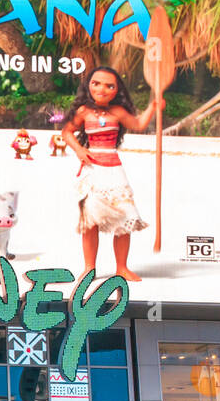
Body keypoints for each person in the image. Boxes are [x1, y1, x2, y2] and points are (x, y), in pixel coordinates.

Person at [60, 64, 164, 282]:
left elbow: (138, 124)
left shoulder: (118, 112)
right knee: (90, 221)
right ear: (88, 85)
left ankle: (122, 267)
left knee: (124, 218)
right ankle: (89, 267)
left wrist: (153, 108)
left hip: (114, 170)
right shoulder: (83, 112)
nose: (102, 89)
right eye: (96, 83)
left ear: (117, 91)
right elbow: (67, 131)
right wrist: (79, 150)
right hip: (93, 171)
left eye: (109, 86)